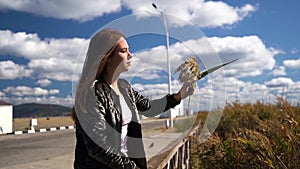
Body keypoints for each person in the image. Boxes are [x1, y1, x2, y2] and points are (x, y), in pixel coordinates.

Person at [72, 28, 194, 169]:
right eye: (123, 51)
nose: (130, 55)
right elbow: (100, 148)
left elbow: (148, 108)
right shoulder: (92, 92)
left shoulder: (124, 87)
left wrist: (179, 96)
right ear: (107, 56)